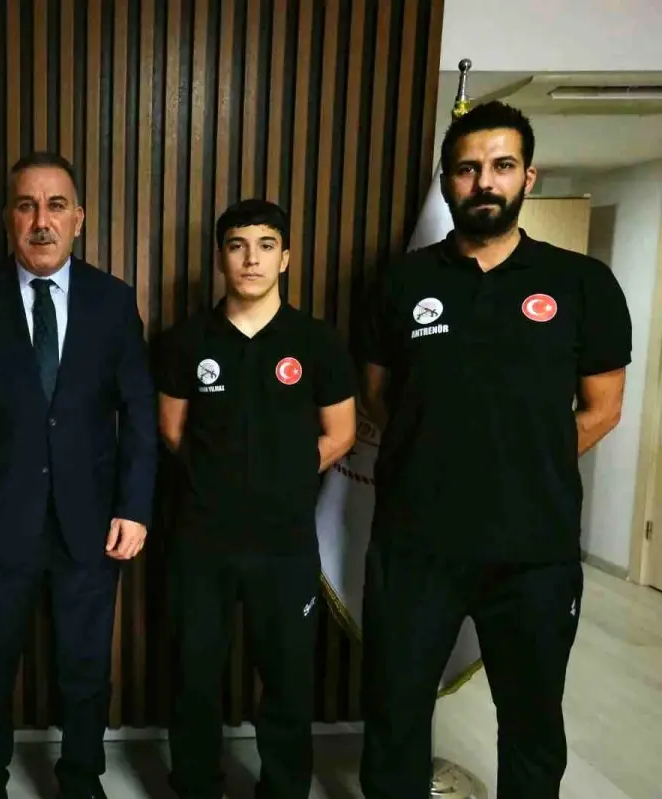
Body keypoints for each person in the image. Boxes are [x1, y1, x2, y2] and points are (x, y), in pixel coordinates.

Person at [358, 101, 632, 798]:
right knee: (394, 712)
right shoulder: (400, 281)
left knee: (532, 720)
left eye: (502, 165)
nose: (485, 181)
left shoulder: (582, 283)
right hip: (415, 544)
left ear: (527, 177)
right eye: (467, 168)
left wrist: (525, 459)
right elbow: (379, 397)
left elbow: (603, 409)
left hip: (533, 550)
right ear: (447, 180)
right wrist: (439, 453)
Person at [0, 151, 156, 799]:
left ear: (79, 218)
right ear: (8, 218)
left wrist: (135, 506)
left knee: (85, 668)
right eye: (27, 206)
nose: (41, 221)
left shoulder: (113, 301)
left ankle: (81, 776)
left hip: (91, 522)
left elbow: (140, 415)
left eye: (56, 206)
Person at [155, 199, 357, 799]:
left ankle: (284, 788)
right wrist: (220, 477)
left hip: (285, 542)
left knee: (289, 681)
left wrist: (284, 475)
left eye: (266, 245)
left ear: (285, 258)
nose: (251, 258)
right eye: (238, 245)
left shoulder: (316, 342)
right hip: (201, 540)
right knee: (194, 675)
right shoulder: (185, 340)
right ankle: (196, 785)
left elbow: (341, 433)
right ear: (221, 257)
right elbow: (172, 429)